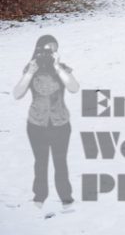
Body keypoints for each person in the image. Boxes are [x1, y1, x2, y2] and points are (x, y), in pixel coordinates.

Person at [13, 34, 79, 211]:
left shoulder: (62, 68)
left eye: (53, 50)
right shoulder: (30, 68)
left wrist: (58, 68)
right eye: (45, 50)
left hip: (61, 124)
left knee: (60, 162)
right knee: (40, 162)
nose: (48, 54)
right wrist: (29, 73)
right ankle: (39, 197)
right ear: (37, 50)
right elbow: (17, 94)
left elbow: (74, 88)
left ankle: (66, 198)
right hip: (36, 125)